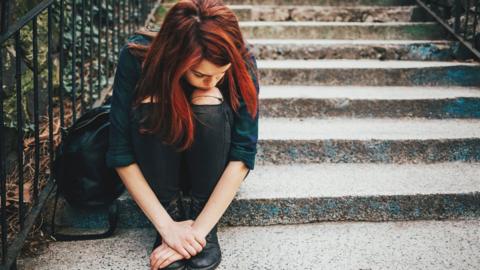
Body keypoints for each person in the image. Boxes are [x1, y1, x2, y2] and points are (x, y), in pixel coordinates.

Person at [105, 0, 259, 269]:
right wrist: (168, 228)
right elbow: (120, 152)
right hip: (156, 164)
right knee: (153, 99)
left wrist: (198, 233)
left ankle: (199, 213)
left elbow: (243, 153)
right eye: (200, 73)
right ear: (177, 58)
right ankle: (172, 210)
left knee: (208, 99)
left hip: (213, 167)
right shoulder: (138, 57)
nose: (212, 80)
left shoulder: (241, 61)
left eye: (220, 74)